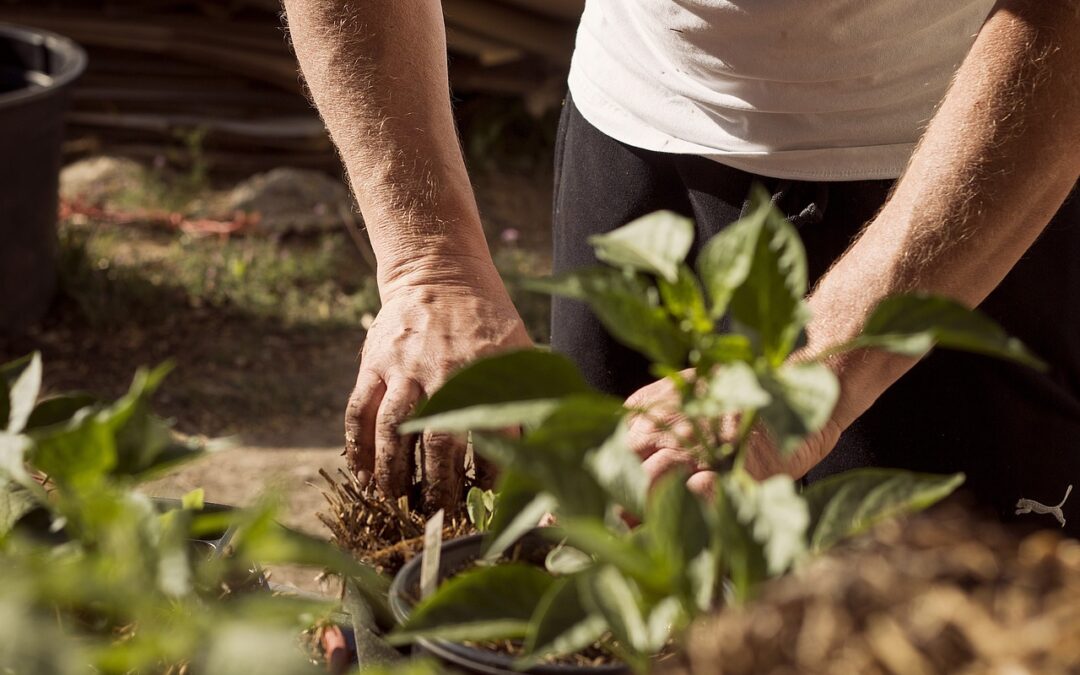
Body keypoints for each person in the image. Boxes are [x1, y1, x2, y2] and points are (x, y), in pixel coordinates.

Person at [282, 0, 1080, 530]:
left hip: (965, 173)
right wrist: (430, 262)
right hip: (635, 136)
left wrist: (811, 369)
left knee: (920, 630)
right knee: (610, 589)